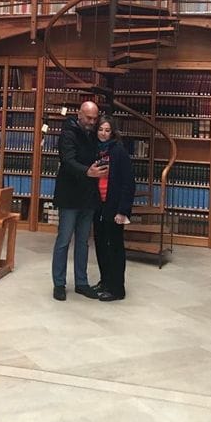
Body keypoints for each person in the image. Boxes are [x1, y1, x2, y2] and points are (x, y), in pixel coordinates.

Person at [51, 100, 108, 301]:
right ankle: (59, 284)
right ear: (79, 115)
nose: (92, 122)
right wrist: (88, 171)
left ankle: (81, 283)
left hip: (88, 196)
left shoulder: (93, 134)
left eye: (94, 118)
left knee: (83, 242)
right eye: (89, 118)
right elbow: (68, 161)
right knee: (64, 240)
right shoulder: (68, 133)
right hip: (69, 196)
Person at [92, 114, 136, 301]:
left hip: (114, 206)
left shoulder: (118, 151)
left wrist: (122, 210)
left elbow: (128, 182)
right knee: (101, 245)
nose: (103, 133)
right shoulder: (94, 150)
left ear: (113, 132)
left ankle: (117, 288)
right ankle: (105, 281)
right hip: (97, 205)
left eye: (107, 130)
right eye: (101, 129)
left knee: (115, 247)